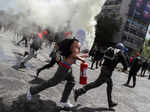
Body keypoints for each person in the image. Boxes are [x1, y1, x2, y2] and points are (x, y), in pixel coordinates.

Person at [26, 39, 88, 108]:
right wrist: (82, 59)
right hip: (63, 68)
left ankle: (63, 101)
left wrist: (83, 56)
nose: (77, 47)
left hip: (68, 68)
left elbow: (75, 55)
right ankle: (32, 91)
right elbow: (74, 55)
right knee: (52, 82)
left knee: (72, 82)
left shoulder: (73, 46)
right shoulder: (72, 45)